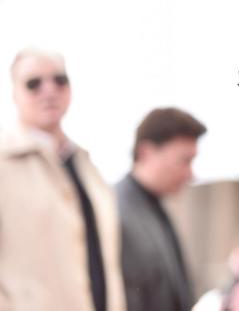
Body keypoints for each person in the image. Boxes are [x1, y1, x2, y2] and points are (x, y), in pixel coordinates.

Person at [0, 48, 126, 311]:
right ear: (14, 94)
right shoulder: (4, 164)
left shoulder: (86, 166)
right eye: (34, 83)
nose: (49, 90)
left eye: (59, 80)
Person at [115, 107, 206, 311]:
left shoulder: (151, 205)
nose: (190, 174)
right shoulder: (117, 213)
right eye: (185, 161)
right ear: (146, 152)